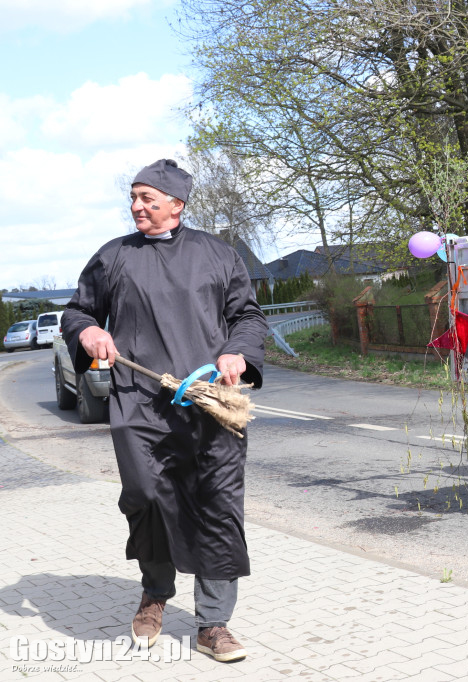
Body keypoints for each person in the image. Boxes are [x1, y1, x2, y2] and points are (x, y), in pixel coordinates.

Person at [61, 159, 269, 663]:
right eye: (133, 198)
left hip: (211, 404)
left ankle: (213, 623)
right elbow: (78, 311)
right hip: (139, 402)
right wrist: (88, 332)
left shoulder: (218, 255)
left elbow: (247, 316)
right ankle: (155, 594)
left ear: (176, 205)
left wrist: (237, 352)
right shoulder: (114, 257)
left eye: (147, 199)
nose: (136, 207)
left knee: (217, 504)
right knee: (147, 495)